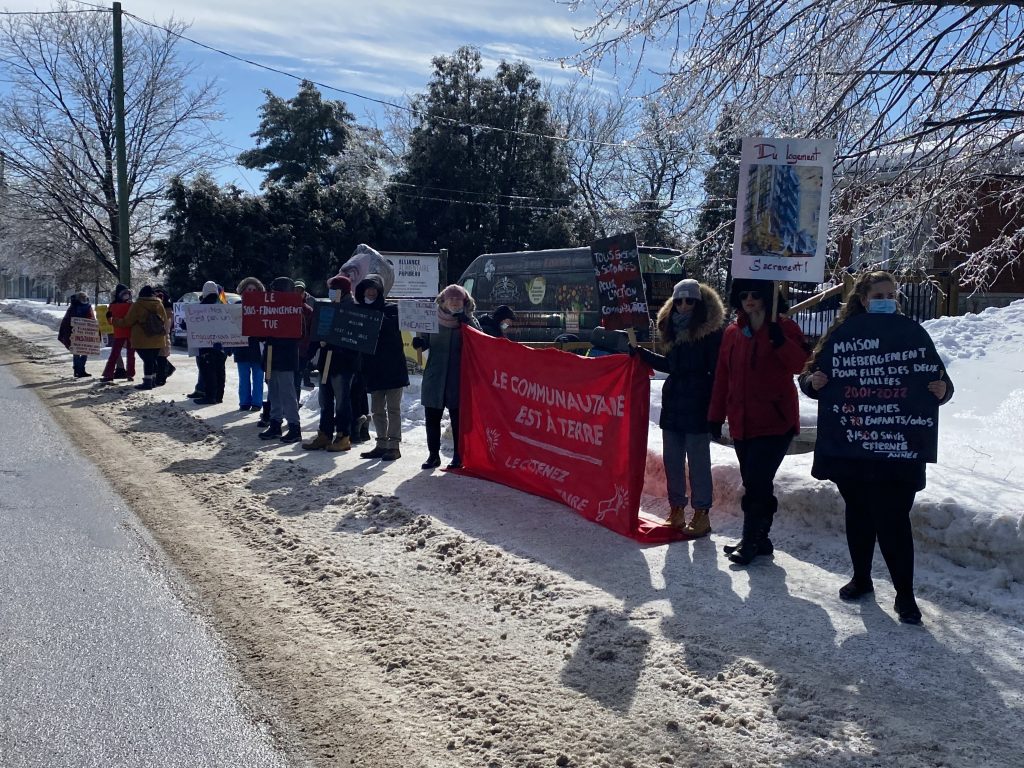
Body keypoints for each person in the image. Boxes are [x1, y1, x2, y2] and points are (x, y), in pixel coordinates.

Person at [798, 271, 954, 624]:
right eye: (878, 294)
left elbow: (940, 382)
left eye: (891, 293)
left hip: (897, 448)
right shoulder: (843, 335)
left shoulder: (910, 334)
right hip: (853, 447)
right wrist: (813, 382)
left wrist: (943, 391)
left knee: (894, 519)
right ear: (863, 299)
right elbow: (810, 377)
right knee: (859, 513)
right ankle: (862, 578)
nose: (886, 299)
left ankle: (905, 595)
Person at [707, 278, 808, 565]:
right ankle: (759, 538)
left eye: (755, 293)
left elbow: (800, 364)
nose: (749, 299)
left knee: (757, 481)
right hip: (742, 422)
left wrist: (779, 340)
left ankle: (751, 539)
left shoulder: (784, 327)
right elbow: (723, 377)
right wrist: (715, 416)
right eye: (743, 294)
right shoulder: (732, 333)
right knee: (755, 483)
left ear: (767, 295)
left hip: (776, 422)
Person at [629, 279, 724, 535]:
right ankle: (677, 510)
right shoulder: (671, 329)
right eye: (679, 300)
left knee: (698, 462)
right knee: (672, 460)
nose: (684, 305)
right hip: (673, 404)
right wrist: (641, 354)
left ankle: (702, 514)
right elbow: (672, 366)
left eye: (690, 300)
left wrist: (716, 410)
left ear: (699, 303)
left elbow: (717, 373)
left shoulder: (711, 333)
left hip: (698, 403)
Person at [412, 284, 482, 470]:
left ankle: (459, 456)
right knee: (432, 418)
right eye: (450, 299)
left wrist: (466, 322)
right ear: (442, 301)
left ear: (464, 301)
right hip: (435, 376)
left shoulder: (469, 320)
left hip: (458, 377)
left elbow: (481, 341)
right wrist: (419, 342)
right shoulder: (431, 320)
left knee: (458, 419)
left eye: (458, 299)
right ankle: (433, 455)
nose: (453, 302)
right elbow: (424, 343)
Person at [354, 274, 410, 461]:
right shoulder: (358, 311)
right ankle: (381, 444)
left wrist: (373, 319)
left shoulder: (391, 309)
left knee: (393, 409)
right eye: (367, 289)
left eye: (374, 289)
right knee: (377, 409)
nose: (370, 292)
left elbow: (394, 328)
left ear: (379, 291)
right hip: (373, 369)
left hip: (393, 368)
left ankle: (394, 446)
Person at [302, 274, 358, 452]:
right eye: (331, 290)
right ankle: (324, 434)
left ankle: (343, 436)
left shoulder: (353, 310)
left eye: (335, 289)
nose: (332, 293)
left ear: (344, 291)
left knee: (342, 401)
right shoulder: (327, 308)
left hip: (343, 364)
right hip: (326, 361)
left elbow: (355, 339)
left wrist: (337, 345)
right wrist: (310, 353)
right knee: (325, 400)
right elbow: (317, 332)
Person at [259, 276, 303, 444]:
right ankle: (275, 423)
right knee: (273, 392)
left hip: (285, 356)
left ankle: (294, 427)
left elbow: (300, 334)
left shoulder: (296, 309)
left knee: (288, 393)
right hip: (271, 355)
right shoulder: (268, 307)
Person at [111, 285, 168, 390]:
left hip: (142, 339)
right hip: (158, 337)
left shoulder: (138, 305)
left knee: (147, 360)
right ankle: (153, 380)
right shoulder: (159, 303)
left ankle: (147, 382)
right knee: (152, 359)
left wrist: (114, 321)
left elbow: (127, 321)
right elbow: (164, 319)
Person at [231, 277, 265, 412]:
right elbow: (230, 327)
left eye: (254, 290)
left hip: (257, 347)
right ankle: (244, 402)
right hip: (241, 347)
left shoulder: (262, 307)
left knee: (258, 377)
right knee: (243, 378)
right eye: (248, 289)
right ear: (243, 291)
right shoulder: (236, 306)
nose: (251, 292)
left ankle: (257, 403)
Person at [194, 281, 228, 405]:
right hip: (222, 344)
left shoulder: (201, 306)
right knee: (220, 371)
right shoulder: (224, 304)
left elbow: (191, 323)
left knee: (208, 372)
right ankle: (219, 396)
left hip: (206, 344)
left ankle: (210, 396)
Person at [100, 284, 136, 383]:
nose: (126, 296)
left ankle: (109, 374)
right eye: (125, 294)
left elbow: (110, 321)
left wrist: (110, 319)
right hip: (129, 332)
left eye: (127, 294)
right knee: (130, 355)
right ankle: (130, 374)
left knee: (115, 354)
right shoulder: (131, 305)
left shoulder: (113, 305)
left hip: (119, 332)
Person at [57, 292, 95, 378]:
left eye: (85, 297)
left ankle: (81, 369)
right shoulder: (73, 307)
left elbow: (92, 318)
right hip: (74, 333)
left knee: (85, 350)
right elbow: (67, 320)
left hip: (86, 332)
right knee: (76, 351)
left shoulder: (88, 307)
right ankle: (77, 369)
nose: (84, 299)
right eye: (82, 298)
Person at [152, 286, 176, 386]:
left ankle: (161, 378)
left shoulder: (167, 308)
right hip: (156, 335)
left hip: (163, 336)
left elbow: (168, 324)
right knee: (157, 357)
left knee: (161, 357)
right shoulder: (155, 307)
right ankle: (165, 372)